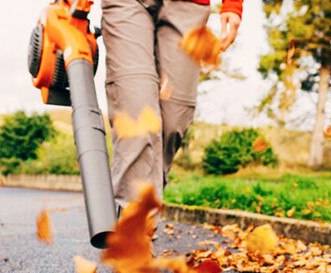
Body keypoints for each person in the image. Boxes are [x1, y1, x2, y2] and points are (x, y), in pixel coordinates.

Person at [102, 0, 243, 213]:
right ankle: (132, 228)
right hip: (126, 4)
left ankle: (141, 212)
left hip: (189, 6)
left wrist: (232, 5)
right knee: (138, 114)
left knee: (174, 117)